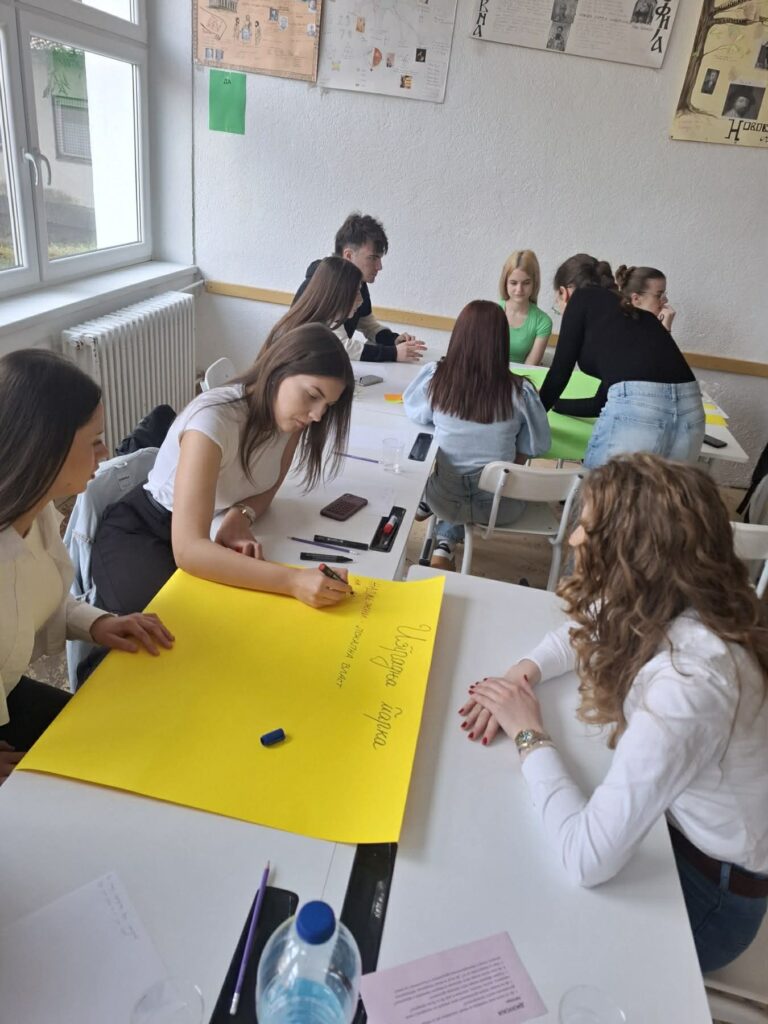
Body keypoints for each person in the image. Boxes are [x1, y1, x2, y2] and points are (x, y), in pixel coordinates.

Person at [460, 454, 768, 973]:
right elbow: (588, 625)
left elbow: (586, 859)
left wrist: (529, 733)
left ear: (633, 555)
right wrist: (521, 675)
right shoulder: (677, 596)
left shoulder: (689, 686)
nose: (573, 539)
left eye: (585, 526)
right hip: (683, 835)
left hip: (710, 899)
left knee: (516, 900)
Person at [91, 324, 356, 615]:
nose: (318, 415)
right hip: (143, 531)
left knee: (247, 615)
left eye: (328, 405)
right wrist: (293, 580)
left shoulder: (292, 421)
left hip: (204, 528)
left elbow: (269, 485)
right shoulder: (213, 421)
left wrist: (240, 516)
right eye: (313, 395)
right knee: (190, 627)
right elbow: (189, 550)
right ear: (280, 369)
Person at [0, 350, 174, 784]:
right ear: (45, 449)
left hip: (6, 689)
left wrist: (97, 623)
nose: (105, 452)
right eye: (94, 441)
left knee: (119, 747)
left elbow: (34, 599)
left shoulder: (36, 510)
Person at [403, 301, 551, 570]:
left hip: (444, 499)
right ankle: (445, 545)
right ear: (502, 342)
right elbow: (537, 446)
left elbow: (415, 412)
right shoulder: (521, 391)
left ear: (458, 337)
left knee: (449, 472)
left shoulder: (437, 380)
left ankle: (440, 533)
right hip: (500, 508)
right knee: (492, 471)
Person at [540, 253, 704, 468]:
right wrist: (558, 405)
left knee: (602, 488)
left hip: (642, 408)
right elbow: (600, 403)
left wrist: (530, 415)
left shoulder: (582, 297)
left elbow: (560, 373)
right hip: (692, 408)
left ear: (564, 292)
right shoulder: (636, 316)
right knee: (661, 491)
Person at [294, 213, 426, 363]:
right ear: (349, 256)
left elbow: (368, 325)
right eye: (373, 258)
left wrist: (393, 340)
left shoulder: (358, 282)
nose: (379, 267)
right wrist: (393, 353)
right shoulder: (329, 285)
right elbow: (340, 345)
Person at [264, 256, 364, 353]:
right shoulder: (312, 338)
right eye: (357, 292)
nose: (361, 300)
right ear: (337, 293)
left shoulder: (307, 327)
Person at [497, 250, 552, 365]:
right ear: (505, 283)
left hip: (521, 376)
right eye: (513, 283)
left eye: (526, 283)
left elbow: (529, 368)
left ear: (535, 283)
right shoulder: (492, 312)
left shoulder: (543, 321)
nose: (519, 290)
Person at [615, 264, 675, 331]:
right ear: (636, 299)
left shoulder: (648, 326)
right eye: (659, 295)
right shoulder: (622, 330)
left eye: (664, 294)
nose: (666, 300)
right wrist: (665, 329)